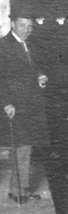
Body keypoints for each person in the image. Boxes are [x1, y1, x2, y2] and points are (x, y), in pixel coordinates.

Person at [0, 10, 49, 203]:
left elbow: (31, 68)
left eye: (30, 27)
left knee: (24, 148)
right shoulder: (3, 45)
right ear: (13, 24)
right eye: (22, 25)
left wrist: (40, 76)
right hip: (15, 105)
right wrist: (5, 103)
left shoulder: (27, 44)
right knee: (22, 148)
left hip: (30, 105)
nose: (27, 30)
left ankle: (18, 189)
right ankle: (20, 191)